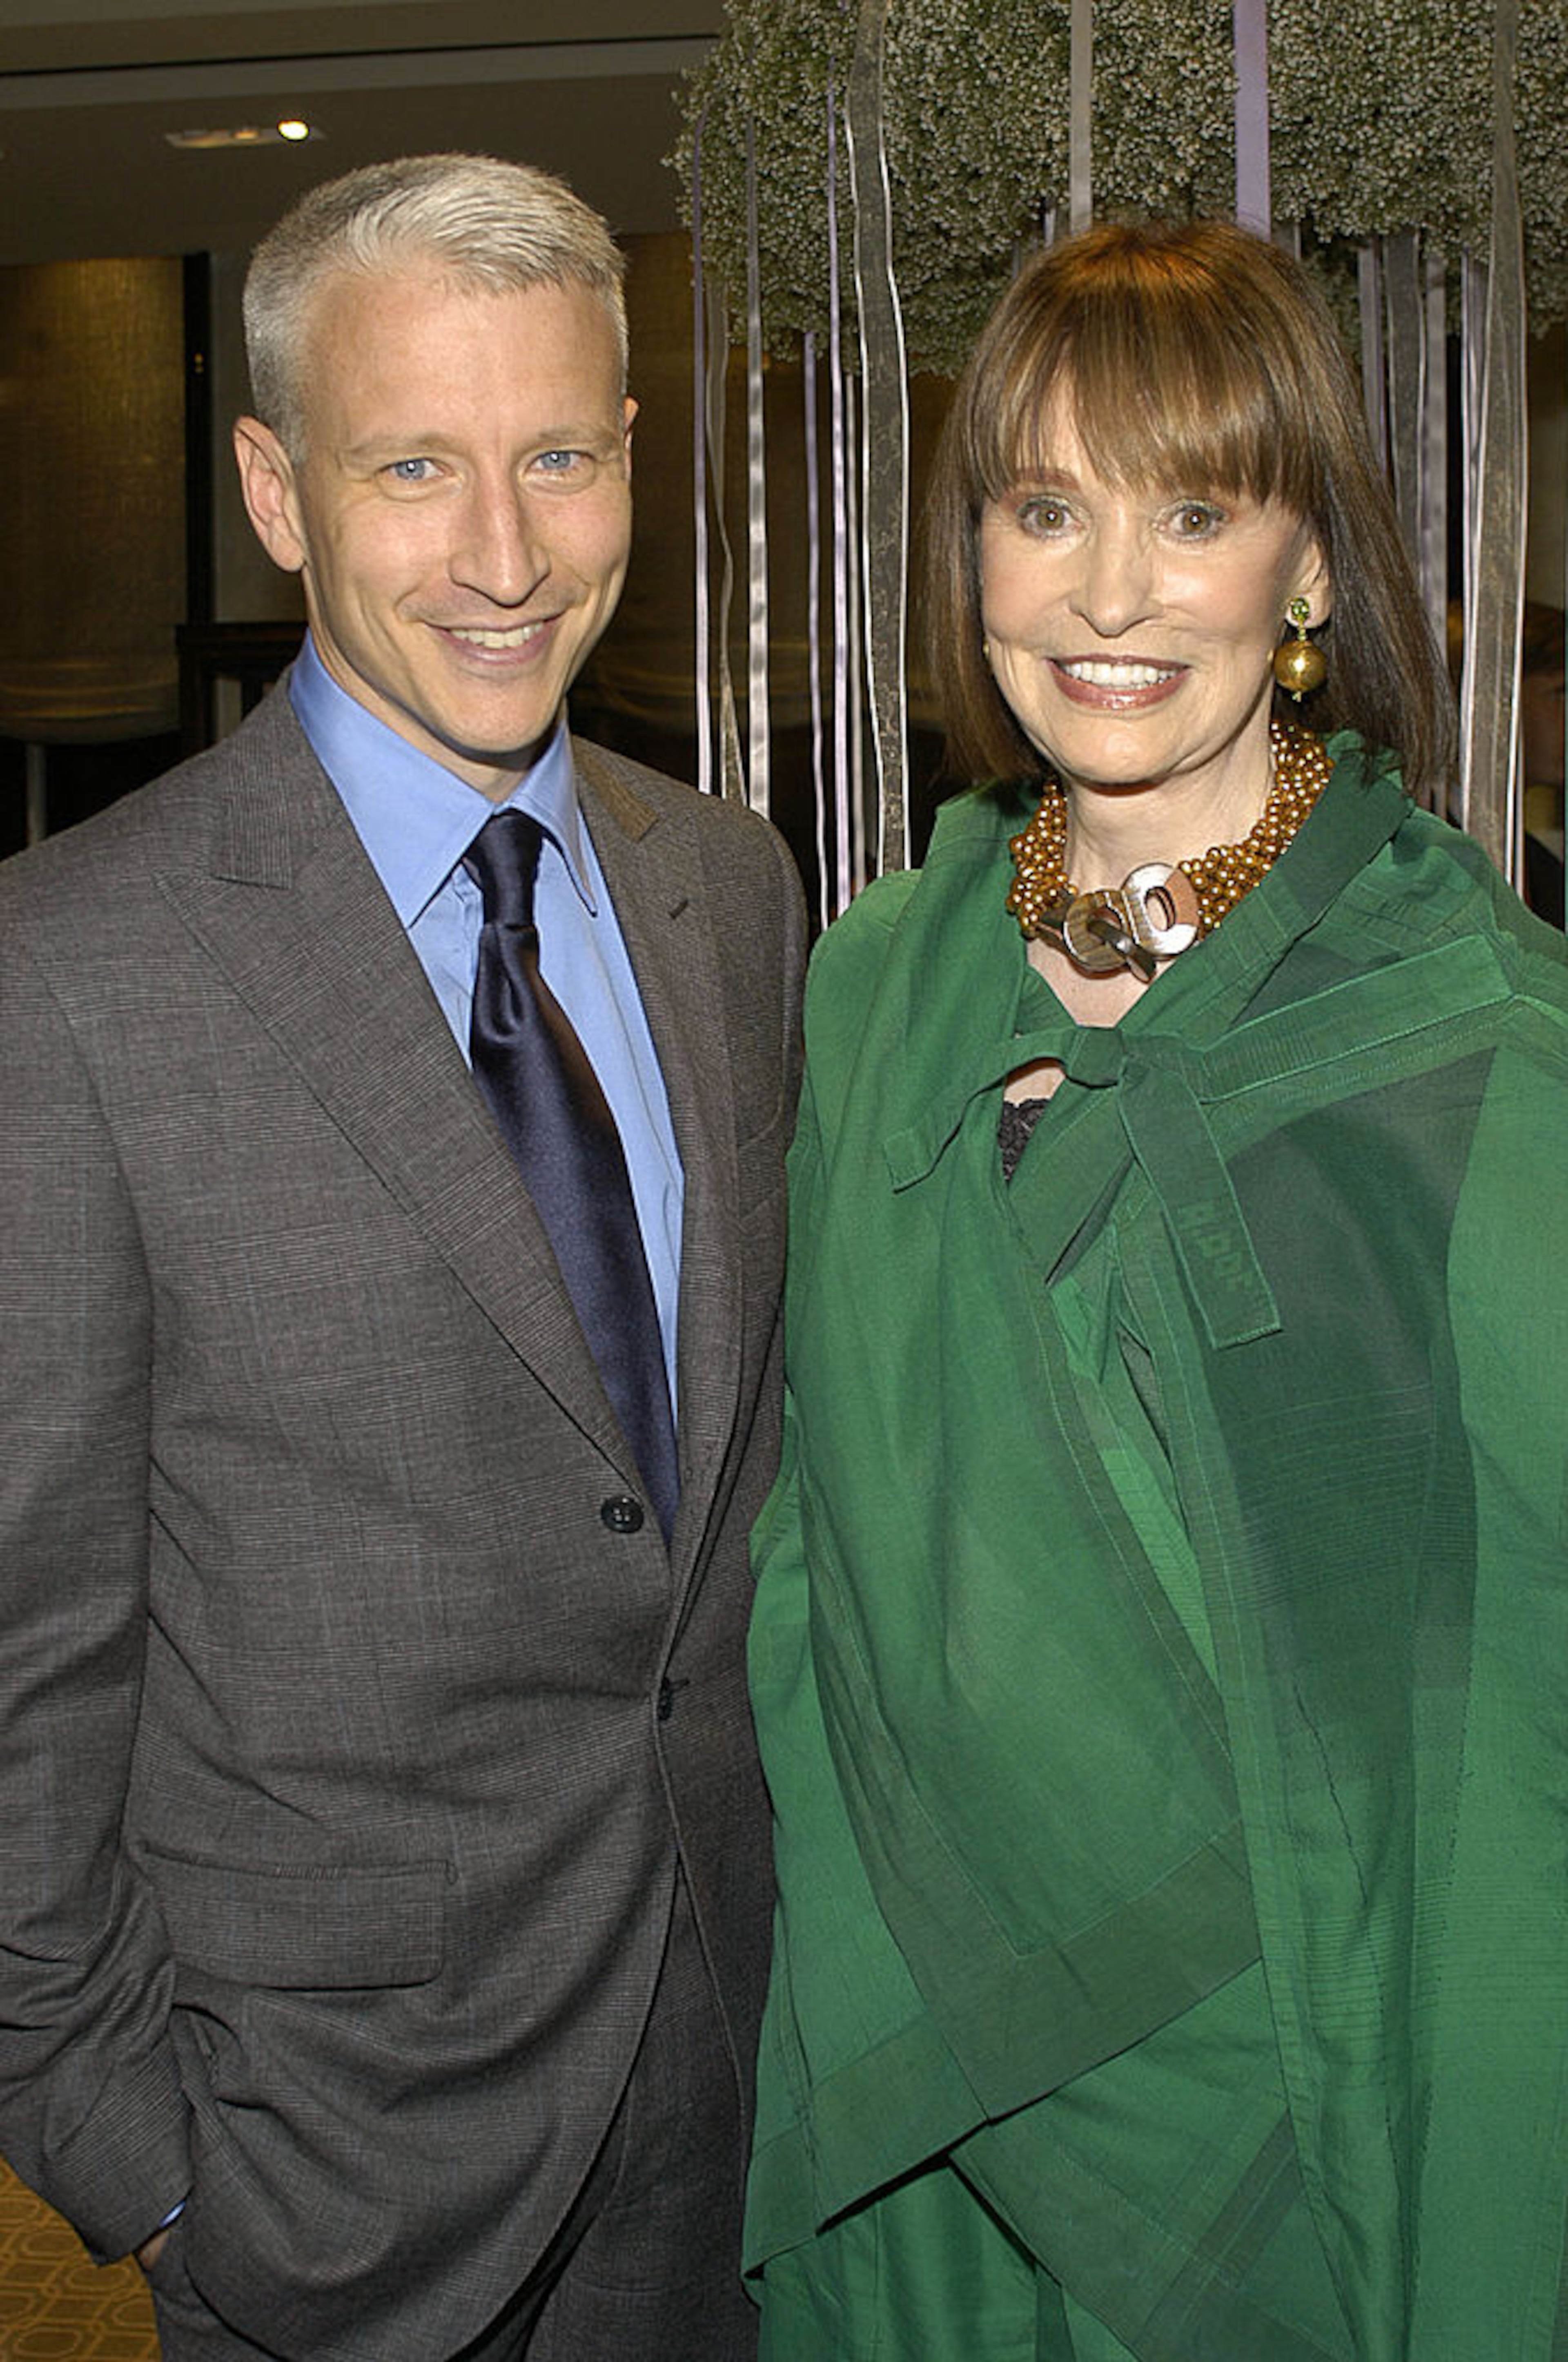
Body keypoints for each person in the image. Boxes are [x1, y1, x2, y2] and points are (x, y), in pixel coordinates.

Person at [0, 153, 804, 2362]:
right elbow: (25, 1660)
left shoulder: (732, 899)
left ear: (634, 457)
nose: (506, 552)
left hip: (738, 2116)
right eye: (415, 467)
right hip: (320, 2187)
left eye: (560, 454)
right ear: (273, 489)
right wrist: (135, 2159)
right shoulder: (64, 974)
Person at [744, 218, 1568, 2360]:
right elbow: (820, 1546)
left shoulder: (1464, 1028)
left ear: (1305, 572)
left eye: (1194, 509)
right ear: (977, 557)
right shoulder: (872, 993)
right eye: (1047, 508)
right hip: (942, 2061)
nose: (1112, 594)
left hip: (1311, 2082)